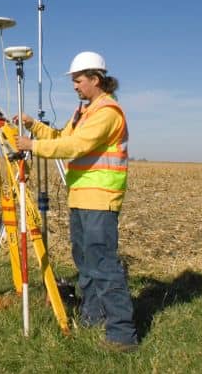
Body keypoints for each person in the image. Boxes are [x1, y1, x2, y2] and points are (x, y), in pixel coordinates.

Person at [12, 51, 139, 352]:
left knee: (103, 264)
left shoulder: (108, 112)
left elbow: (76, 145)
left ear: (96, 79)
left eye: (78, 81)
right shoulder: (83, 112)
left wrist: (32, 146)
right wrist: (33, 126)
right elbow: (60, 137)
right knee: (85, 261)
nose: (75, 86)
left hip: (101, 197)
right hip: (80, 196)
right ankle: (93, 316)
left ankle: (122, 335)